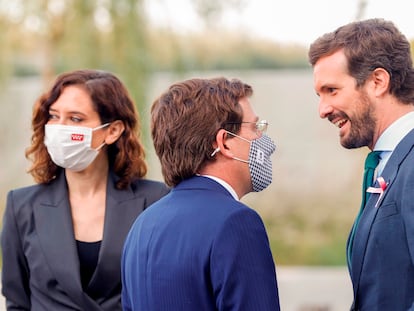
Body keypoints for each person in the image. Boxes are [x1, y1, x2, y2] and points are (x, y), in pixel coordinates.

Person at [1, 69, 169, 310]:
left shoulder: (154, 201)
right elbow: (17, 301)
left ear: (112, 131)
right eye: (54, 116)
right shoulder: (21, 206)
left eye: (75, 119)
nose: (60, 128)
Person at [121, 77, 280, 310]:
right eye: (255, 127)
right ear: (224, 142)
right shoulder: (236, 222)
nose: (263, 140)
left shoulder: (142, 224)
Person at [309, 18, 414, 310]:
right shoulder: (385, 162)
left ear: (377, 82)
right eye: (319, 95)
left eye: (332, 90)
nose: (323, 109)